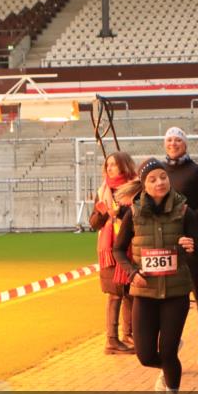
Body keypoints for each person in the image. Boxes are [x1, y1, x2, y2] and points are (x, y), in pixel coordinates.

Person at [114, 158, 198, 394]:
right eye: (152, 179)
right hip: (145, 293)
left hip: (176, 293)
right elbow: (118, 249)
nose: (159, 182)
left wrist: (191, 247)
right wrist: (132, 272)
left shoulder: (185, 212)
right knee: (145, 355)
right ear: (144, 185)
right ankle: (166, 365)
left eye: (163, 177)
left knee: (169, 351)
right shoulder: (134, 213)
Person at [162, 127, 198, 366]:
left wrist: (190, 218)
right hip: (166, 241)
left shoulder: (196, 171)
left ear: (185, 144)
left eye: (178, 140)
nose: (173, 143)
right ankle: (174, 340)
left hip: (192, 240)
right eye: (169, 140)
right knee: (173, 294)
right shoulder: (159, 171)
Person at [89, 152, 138, 355]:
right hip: (110, 249)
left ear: (124, 166)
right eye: (107, 165)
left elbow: (140, 215)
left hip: (131, 247)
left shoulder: (135, 188)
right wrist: (103, 213)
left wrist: (121, 213)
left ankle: (130, 333)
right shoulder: (103, 192)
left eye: (114, 165)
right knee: (114, 294)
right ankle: (111, 340)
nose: (109, 168)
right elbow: (93, 224)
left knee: (130, 293)